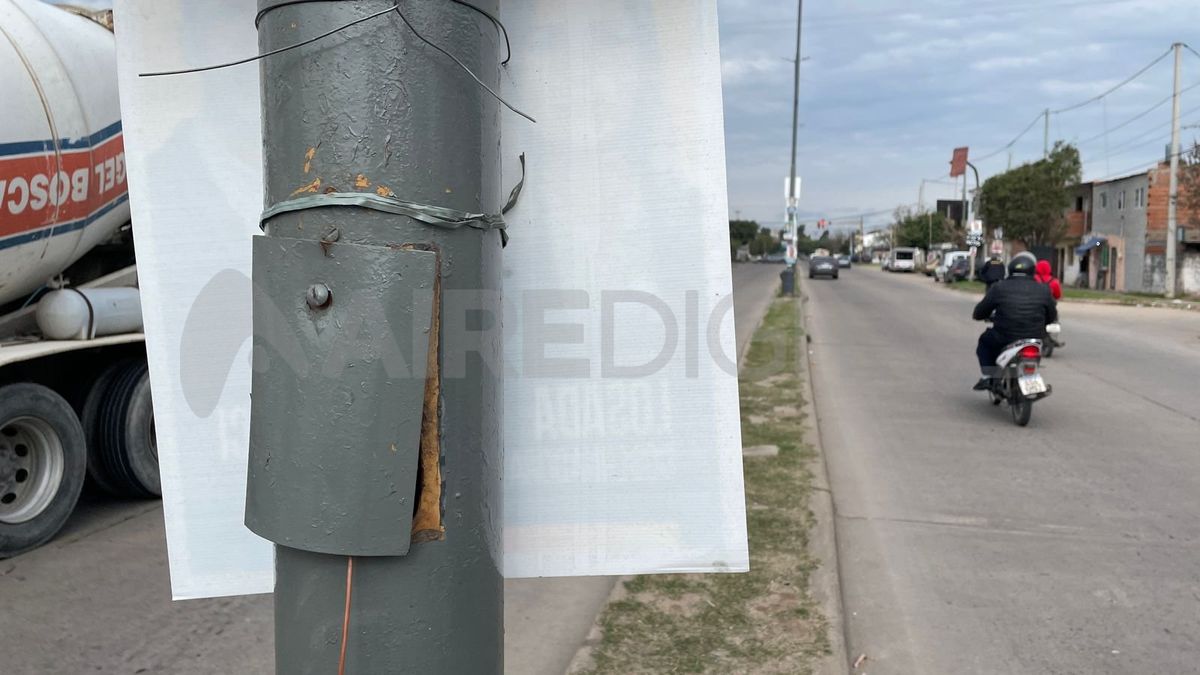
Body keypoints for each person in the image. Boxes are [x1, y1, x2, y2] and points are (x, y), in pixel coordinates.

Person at [971, 253, 1057, 390]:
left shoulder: (999, 287)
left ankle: (988, 376)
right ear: (1032, 271)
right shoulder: (1044, 289)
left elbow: (980, 312)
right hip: (1035, 337)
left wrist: (982, 316)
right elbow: (1052, 316)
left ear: (1010, 270)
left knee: (984, 342)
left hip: (1005, 336)